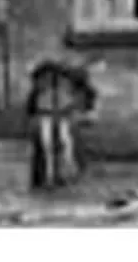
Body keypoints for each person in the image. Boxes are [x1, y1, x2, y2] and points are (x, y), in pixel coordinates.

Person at [25, 58, 97, 190]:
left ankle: (64, 174)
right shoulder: (43, 89)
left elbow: (83, 99)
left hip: (63, 117)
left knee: (65, 145)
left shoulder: (67, 87)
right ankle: (50, 176)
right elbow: (32, 106)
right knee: (48, 147)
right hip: (48, 117)